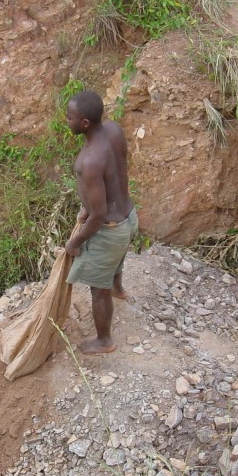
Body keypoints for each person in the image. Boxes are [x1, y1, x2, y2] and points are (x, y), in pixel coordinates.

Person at [64, 90, 138, 354]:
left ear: (85, 123)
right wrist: (88, 207)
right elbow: (115, 174)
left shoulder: (91, 160)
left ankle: (104, 339)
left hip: (109, 229)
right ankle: (119, 288)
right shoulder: (114, 130)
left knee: (98, 288)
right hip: (128, 217)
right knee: (115, 257)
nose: (66, 120)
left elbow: (97, 216)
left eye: (70, 117)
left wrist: (74, 242)